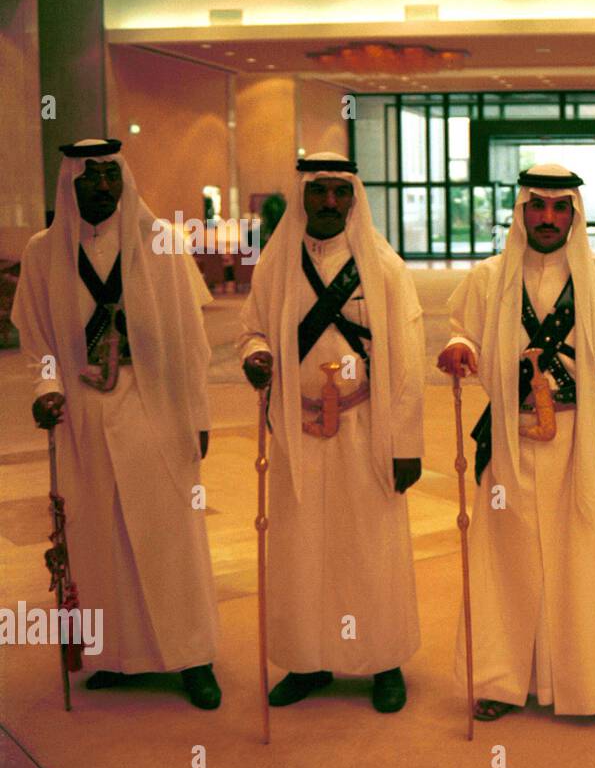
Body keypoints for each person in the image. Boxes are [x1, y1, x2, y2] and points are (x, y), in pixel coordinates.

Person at [12, 138, 220, 708]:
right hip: (84, 409)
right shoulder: (42, 252)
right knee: (98, 535)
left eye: (111, 176)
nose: (103, 187)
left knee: (169, 532)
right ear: (70, 185)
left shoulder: (161, 245)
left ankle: (193, 655)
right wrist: (47, 387)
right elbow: (38, 342)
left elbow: (190, 342)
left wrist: (196, 413)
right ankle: (117, 657)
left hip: (155, 404)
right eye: (90, 178)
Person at [438, 164, 595, 720]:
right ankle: (502, 683)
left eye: (559, 208)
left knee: (587, 561)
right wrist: (459, 346)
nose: (547, 218)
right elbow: (464, 328)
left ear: (574, 213)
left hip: (584, 437)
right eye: (537, 206)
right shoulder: (489, 277)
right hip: (510, 434)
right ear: (522, 211)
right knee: (506, 561)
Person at [238, 152, 425, 714]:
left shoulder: (383, 268)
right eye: (318, 191)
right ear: (302, 195)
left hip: (366, 428)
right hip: (297, 429)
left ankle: (384, 661)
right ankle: (306, 660)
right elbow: (251, 332)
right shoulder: (275, 266)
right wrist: (258, 357)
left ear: (353, 198)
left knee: (370, 546)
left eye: (340, 192)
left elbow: (410, 364)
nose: (328, 203)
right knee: (300, 546)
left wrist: (407, 445)